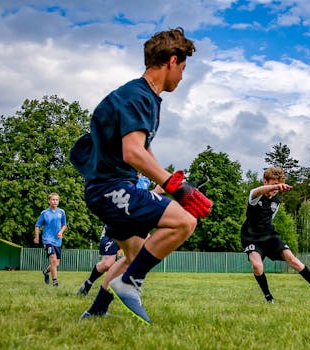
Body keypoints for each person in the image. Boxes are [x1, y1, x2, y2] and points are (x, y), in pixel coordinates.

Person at [70, 27, 212, 324]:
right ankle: (130, 283)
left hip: (109, 189)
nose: (183, 77)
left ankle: (96, 312)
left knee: (134, 256)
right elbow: (132, 153)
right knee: (185, 222)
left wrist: (169, 182)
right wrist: (175, 186)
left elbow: (143, 153)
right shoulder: (139, 97)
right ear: (172, 61)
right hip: (111, 189)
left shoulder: (139, 96)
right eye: (183, 68)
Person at [241, 167, 310, 303]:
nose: (275, 189)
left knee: (293, 260)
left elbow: (269, 218)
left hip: (270, 235)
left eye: (277, 187)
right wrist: (277, 186)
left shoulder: (276, 202)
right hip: (251, 237)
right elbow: (258, 191)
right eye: (273, 185)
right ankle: (269, 298)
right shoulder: (255, 195)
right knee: (257, 266)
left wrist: (277, 187)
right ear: (265, 181)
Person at [77, 174, 159, 296]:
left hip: (132, 228)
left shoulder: (145, 180)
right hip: (114, 226)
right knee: (107, 264)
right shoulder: (121, 178)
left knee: (139, 254)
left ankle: (121, 290)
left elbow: (145, 199)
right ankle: (89, 283)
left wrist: (161, 189)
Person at [33, 192, 67, 287]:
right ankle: (55, 282)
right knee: (53, 260)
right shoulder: (44, 213)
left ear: (58, 201)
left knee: (56, 263)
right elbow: (37, 226)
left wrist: (61, 232)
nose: (55, 201)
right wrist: (37, 237)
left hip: (58, 241)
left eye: (56, 200)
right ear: (49, 201)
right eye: (53, 199)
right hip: (47, 240)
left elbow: (64, 225)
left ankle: (45, 271)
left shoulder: (62, 212)